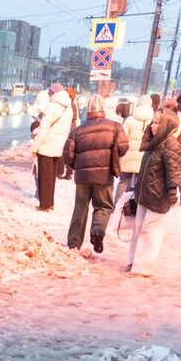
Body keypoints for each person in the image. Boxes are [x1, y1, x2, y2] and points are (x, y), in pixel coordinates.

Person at [63, 95, 128, 253]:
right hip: (104, 176)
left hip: (82, 177)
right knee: (103, 206)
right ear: (103, 110)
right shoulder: (115, 127)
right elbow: (124, 147)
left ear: (88, 111)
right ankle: (98, 230)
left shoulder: (78, 131)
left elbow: (67, 155)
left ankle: (73, 243)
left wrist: (77, 166)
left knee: (80, 208)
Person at [125, 109, 181, 277]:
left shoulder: (170, 145)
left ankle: (143, 266)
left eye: (158, 123)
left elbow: (174, 172)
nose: (153, 126)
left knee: (150, 232)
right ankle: (134, 261)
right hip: (145, 194)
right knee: (138, 229)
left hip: (159, 196)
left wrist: (172, 193)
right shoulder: (153, 143)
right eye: (153, 122)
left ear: (167, 125)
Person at [30, 83, 73, 212]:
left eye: (50, 93)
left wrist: (34, 147)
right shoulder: (68, 108)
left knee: (45, 176)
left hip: (46, 146)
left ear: (53, 93)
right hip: (58, 146)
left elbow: (43, 130)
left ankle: (44, 205)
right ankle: (50, 202)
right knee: (51, 177)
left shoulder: (52, 108)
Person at [118, 96, 154, 202]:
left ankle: (118, 205)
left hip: (128, 155)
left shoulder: (130, 119)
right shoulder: (154, 120)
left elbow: (122, 138)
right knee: (141, 183)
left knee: (124, 181)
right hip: (145, 157)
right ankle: (136, 205)